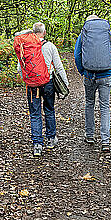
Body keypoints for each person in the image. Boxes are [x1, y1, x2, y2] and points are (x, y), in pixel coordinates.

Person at [17, 22, 69, 157]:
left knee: (35, 113)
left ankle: (37, 145)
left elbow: (19, 68)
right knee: (49, 109)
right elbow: (58, 66)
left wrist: (28, 78)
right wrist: (66, 83)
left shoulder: (26, 46)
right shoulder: (50, 46)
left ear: (33, 33)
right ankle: (51, 139)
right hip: (48, 83)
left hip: (32, 85)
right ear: (44, 32)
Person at [74, 15, 111, 152]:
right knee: (105, 106)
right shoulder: (109, 33)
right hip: (105, 75)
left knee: (90, 103)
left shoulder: (83, 34)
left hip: (89, 75)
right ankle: (105, 141)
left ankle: (90, 136)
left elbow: (77, 54)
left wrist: (82, 70)